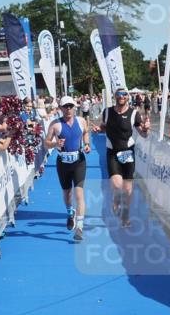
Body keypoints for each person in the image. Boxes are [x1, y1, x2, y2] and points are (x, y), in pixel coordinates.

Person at [96, 88, 150, 226]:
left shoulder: (134, 113)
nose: (121, 97)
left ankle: (125, 214)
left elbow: (143, 134)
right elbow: (104, 126)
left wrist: (146, 129)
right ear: (115, 96)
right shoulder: (107, 111)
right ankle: (116, 198)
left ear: (128, 97)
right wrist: (99, 129)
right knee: (116, 184)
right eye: (119, 94)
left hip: (128, 152)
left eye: (124, 94)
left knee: (127, 188)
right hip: (112, 152)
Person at [45, 96, 91, 242]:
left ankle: (79, 227)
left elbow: (85, 132)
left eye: (71, 106)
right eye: (65, 106)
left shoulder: (81, 121)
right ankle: (70, 212)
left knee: (79, 193)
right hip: (63, 162)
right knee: (67, 193)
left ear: (75, 107)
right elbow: (46, 142)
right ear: (61, 108)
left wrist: (87, 144)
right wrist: (55, 144)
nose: (68, 109)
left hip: (79, 161)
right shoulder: (55, 124)